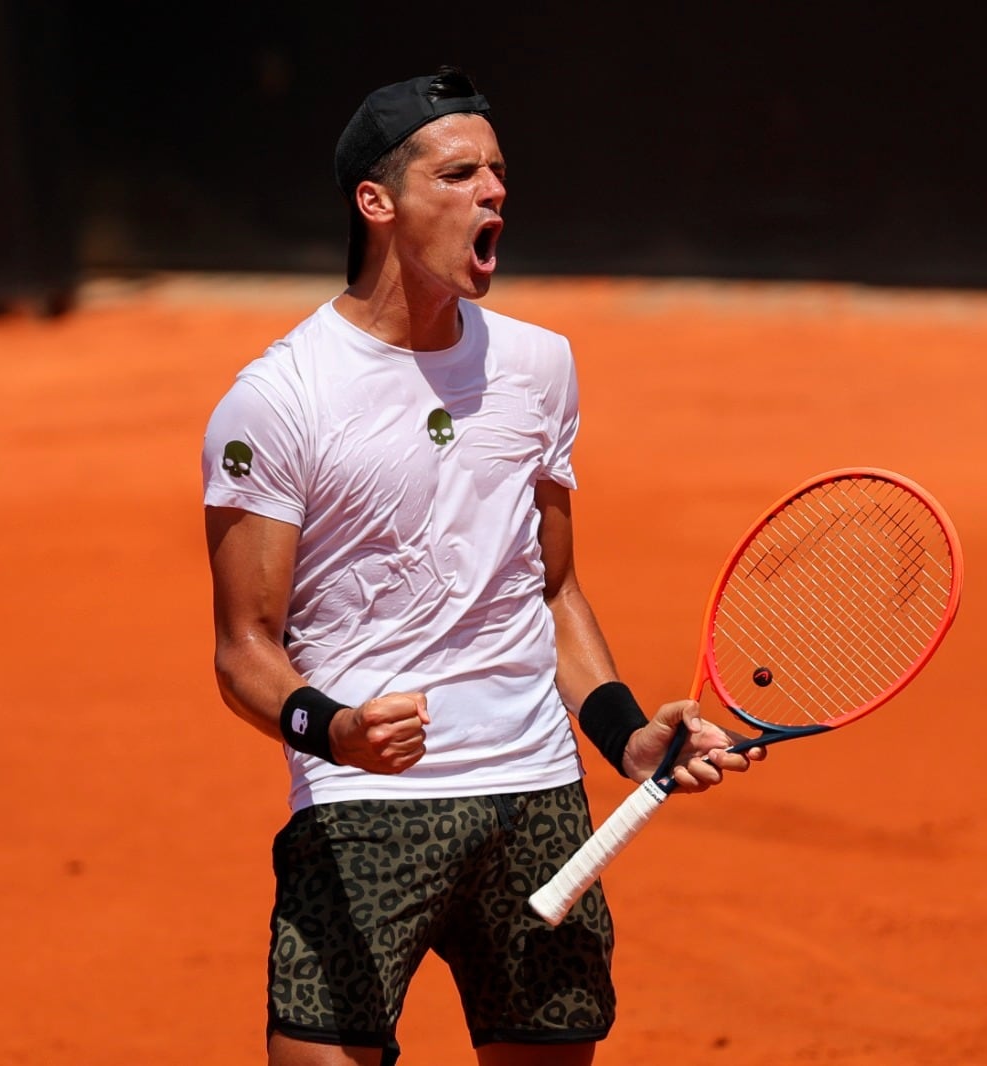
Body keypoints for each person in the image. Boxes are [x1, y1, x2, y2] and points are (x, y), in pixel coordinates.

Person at [201, 67, 762, 1066]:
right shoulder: (278, 399)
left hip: (536, 799)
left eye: (498, 173)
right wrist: (332, 728)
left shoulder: (538, 366)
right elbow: (244, 647)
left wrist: (628, 735)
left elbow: (549, 589)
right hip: (366, 810)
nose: (493, 192)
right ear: (376, 203)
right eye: (458, 174)